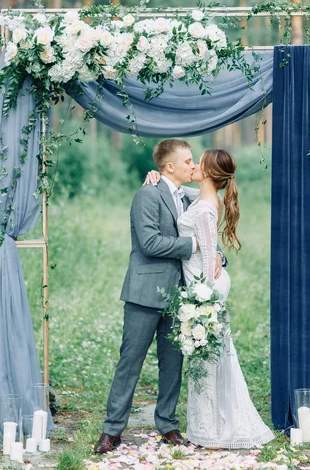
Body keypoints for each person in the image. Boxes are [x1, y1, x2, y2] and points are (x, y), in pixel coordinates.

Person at [93, 139, 224, 454]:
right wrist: (195, 245)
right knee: (130, 362)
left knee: (172, 363)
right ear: (170, 167)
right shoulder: (146, 195)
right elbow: (150, 243)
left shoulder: (188, 196)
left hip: (179, 296)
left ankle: (167, 425)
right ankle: (112, 431)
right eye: (189, 161)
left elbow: (210, 212)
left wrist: (216, 252)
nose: (194, 166)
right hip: (144, 294)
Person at [146, 149, 274, 449]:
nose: (193, 165)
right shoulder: (204, 197)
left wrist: (201, 304)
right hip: (205, 286)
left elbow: (205, 261)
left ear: (209, 172)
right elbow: (177, 191)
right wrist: (154, 177)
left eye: (197, 162)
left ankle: (212, 431)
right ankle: (212, 426)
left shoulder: (205, 207)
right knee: (215, 358)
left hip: (205, 289)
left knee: (209, 360)